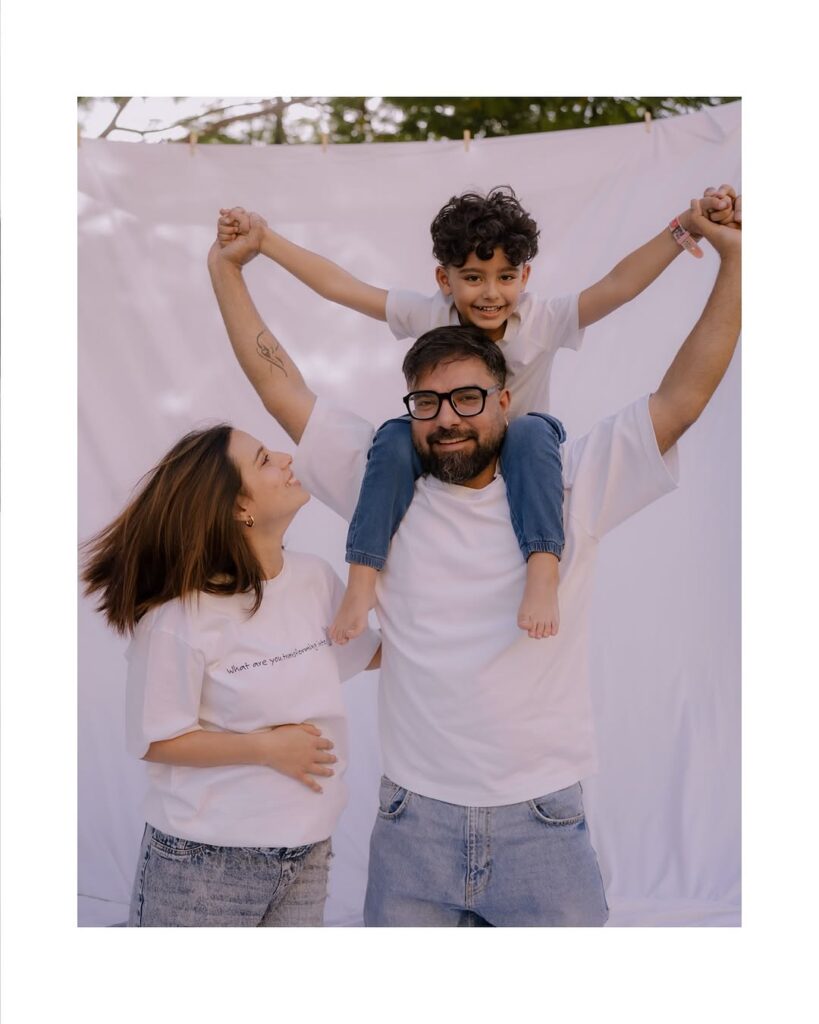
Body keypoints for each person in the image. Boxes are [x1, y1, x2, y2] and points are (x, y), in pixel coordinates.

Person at [207, 194, 741, 926]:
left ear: (503, 400)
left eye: (468, 399)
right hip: (412, 823)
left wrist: (734, 262)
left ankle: (540, 564)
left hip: (541, 821)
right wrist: (230, 268)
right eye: (427, 404)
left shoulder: (569, 483)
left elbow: (682, 397)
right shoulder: (381, 481)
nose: (448, 418)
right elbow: (279, 385)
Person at [217, 184, 736, 644]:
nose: (491, 294)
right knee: (392, 439)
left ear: (525, 275)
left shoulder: (544, 319)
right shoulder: (430, 313)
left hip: (525, 451)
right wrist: (266, 241)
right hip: (445, 448)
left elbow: (619, 284)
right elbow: (342, 287)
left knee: (529, 432)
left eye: (506, 277)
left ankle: (542, 566)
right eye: (473, 277)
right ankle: (363, 575)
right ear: (444, 279)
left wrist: (684, 227)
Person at [81, 424, 380, 926]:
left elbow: (366, 653)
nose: (286, 457)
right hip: (204, 862)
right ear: (240, 507)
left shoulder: (313, 578)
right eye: (263, 459)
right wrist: (267, 748)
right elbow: (156, 739)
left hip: (309, 849)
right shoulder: (180, 619)